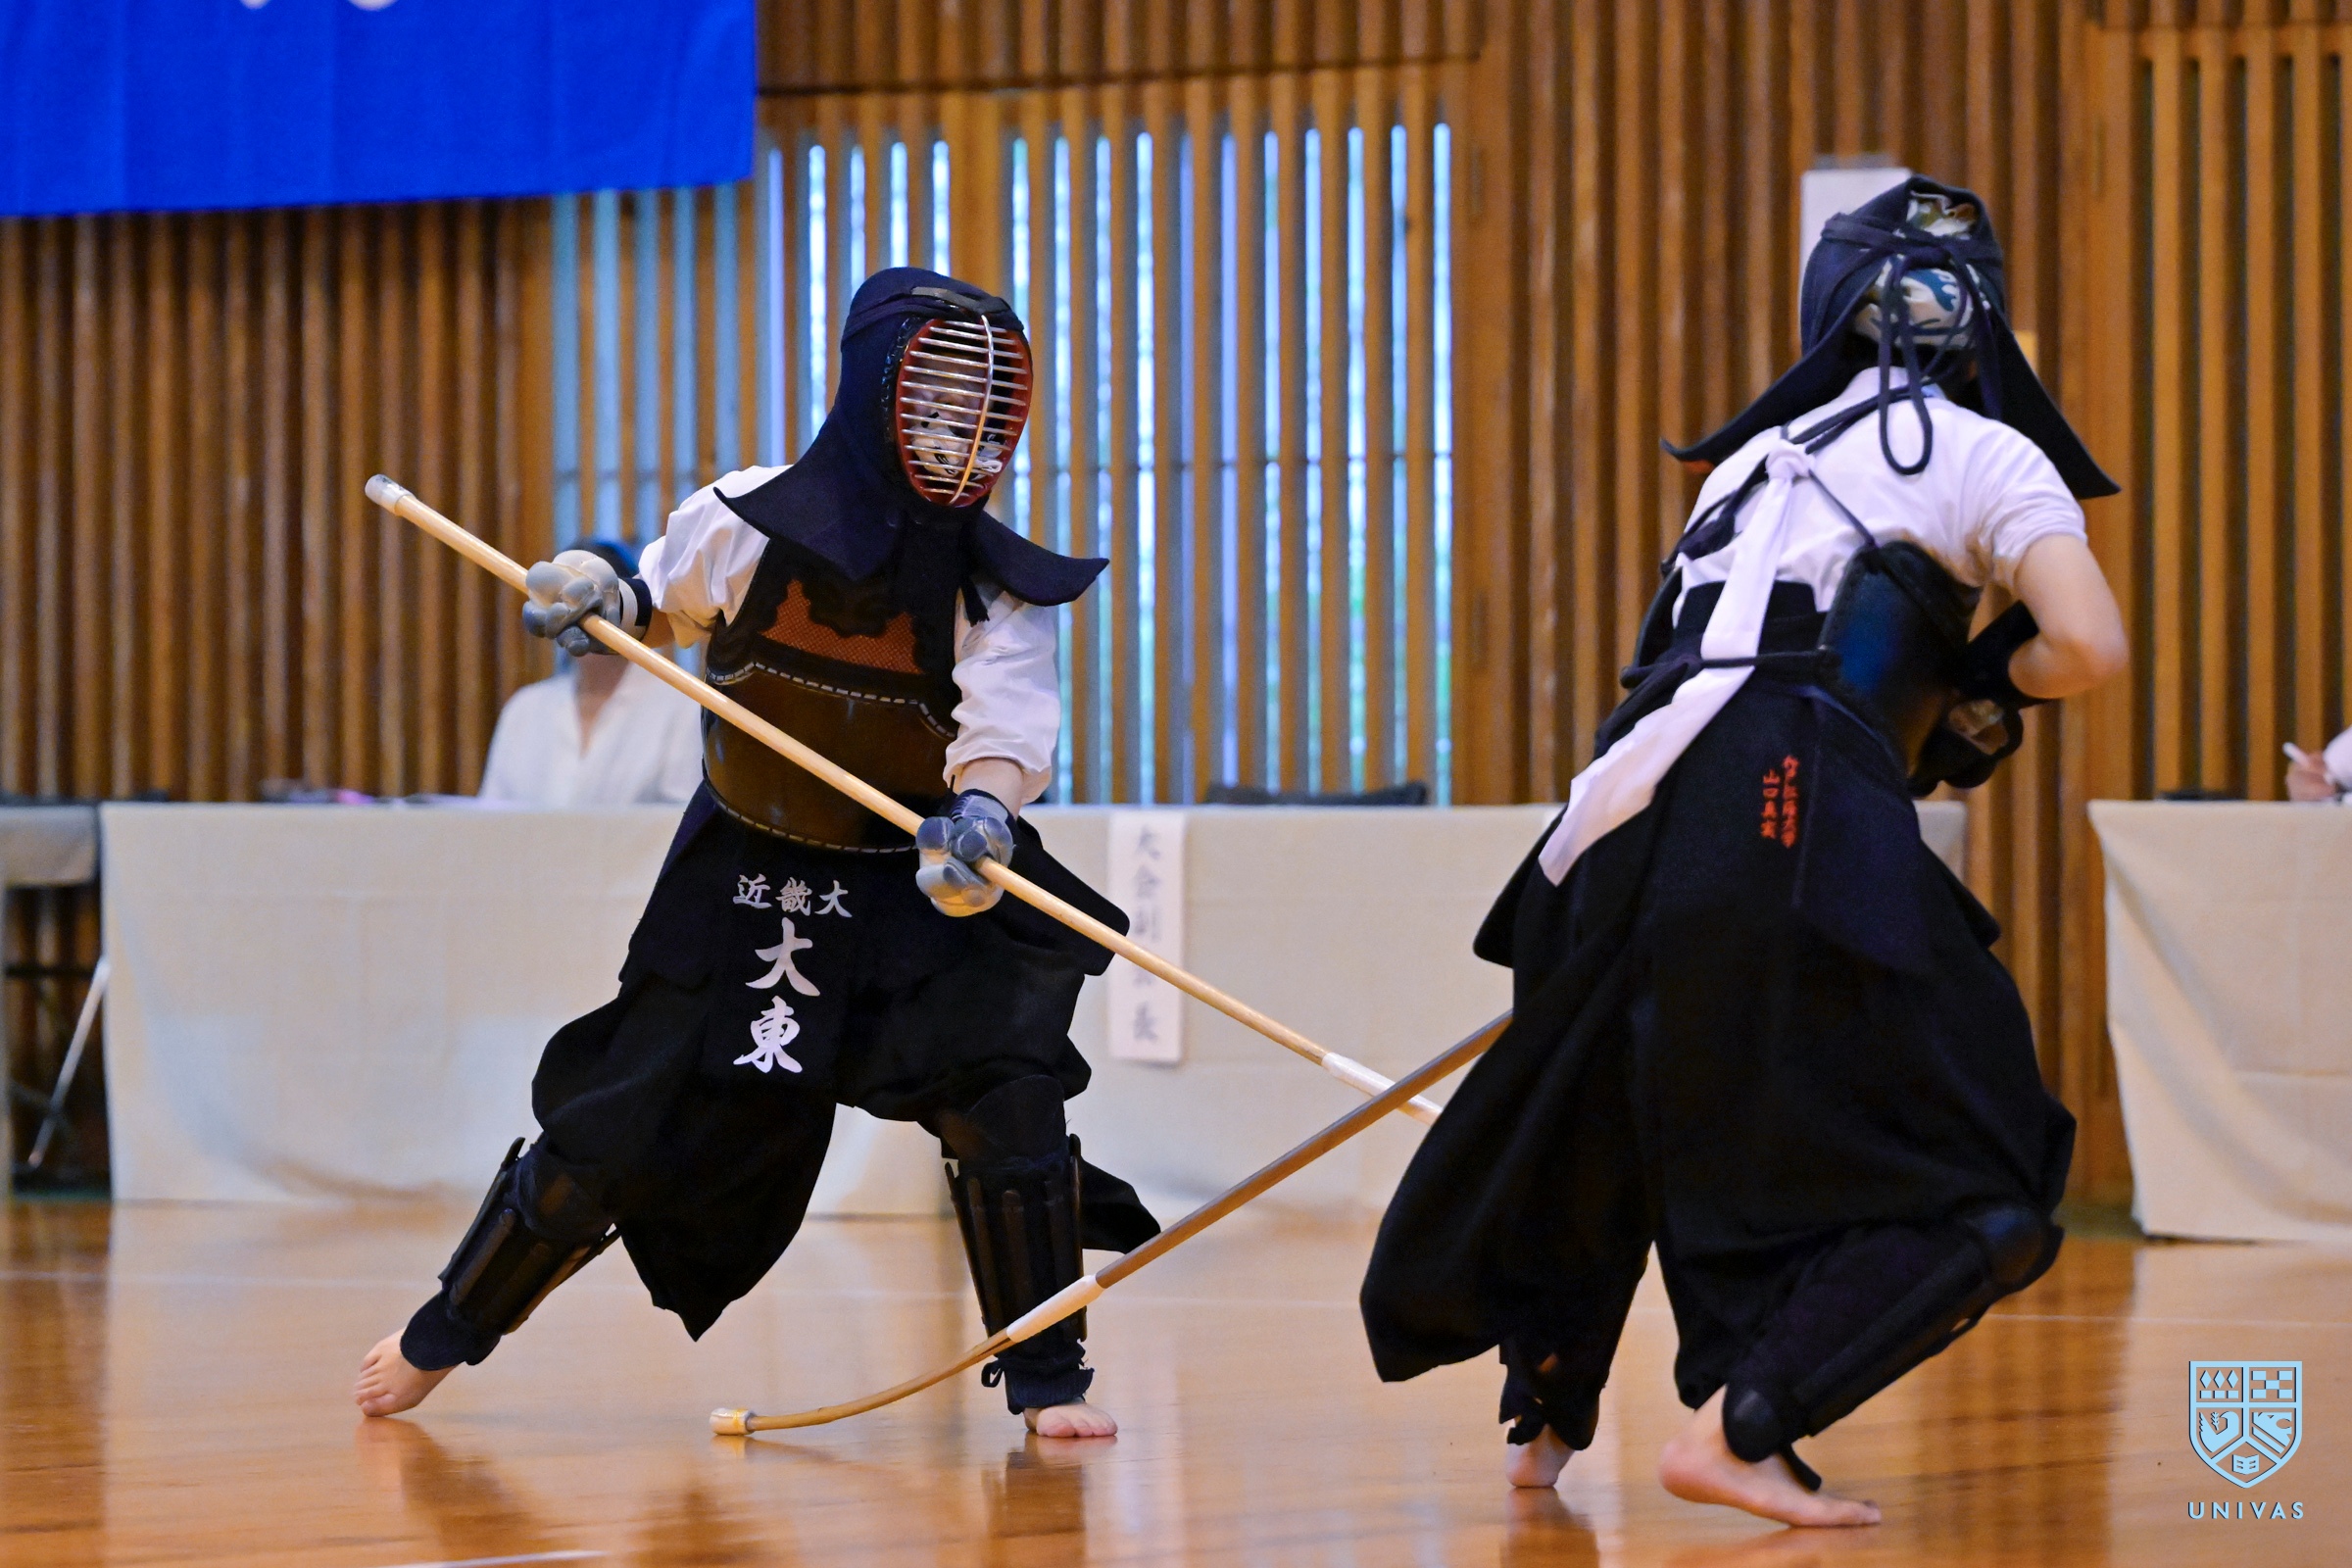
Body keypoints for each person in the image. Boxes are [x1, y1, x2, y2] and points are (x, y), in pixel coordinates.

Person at [1359, 177, 2130, 1527]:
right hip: (1789, 795)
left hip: (1620, 808)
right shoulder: (1985, 452)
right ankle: (1747, 1421)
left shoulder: (1750, 460)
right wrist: (1987, 680)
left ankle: (1545, 1416)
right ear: (1984, 323)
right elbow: (2088, 645)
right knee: (1996, 1166)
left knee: (1618, 1094)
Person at [355, 268, 1157, 1439]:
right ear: (872, 389)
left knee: (1005, 1095)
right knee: (615, 1117)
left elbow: (1005, 730)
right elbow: (659, 601)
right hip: (745, 872)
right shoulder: (743, 515)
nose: (960, 437)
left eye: (984, 414)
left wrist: (982, 818)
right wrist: (601, 594)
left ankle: (1045, 1376)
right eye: (935, 401)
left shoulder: (994, 588)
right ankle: (445, 1329)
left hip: (911, 876)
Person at [475, 538, 706, 808]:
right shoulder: (524, 709)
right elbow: (492, 816)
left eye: (594, 606)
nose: (580, 617)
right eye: (563, 602)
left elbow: (680, 814)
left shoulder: (682, 707)